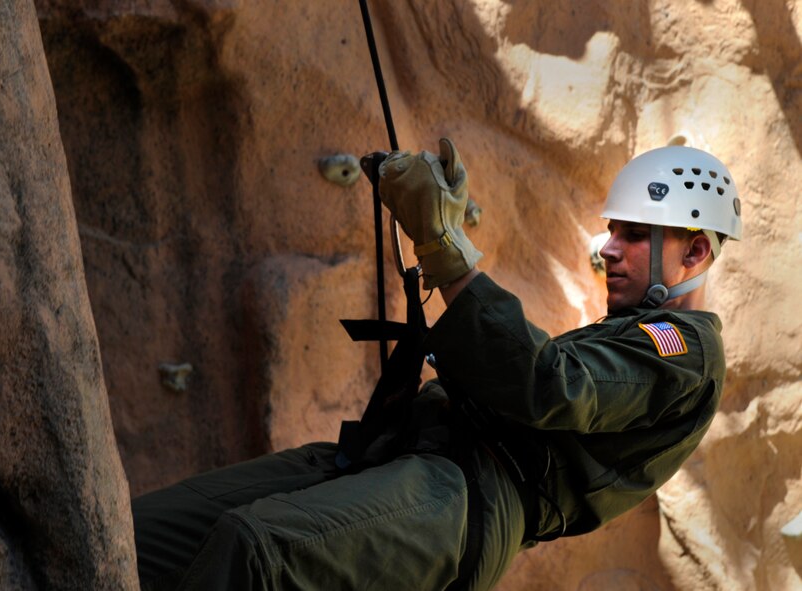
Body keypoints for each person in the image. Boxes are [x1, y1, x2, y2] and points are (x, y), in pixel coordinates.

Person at [132, 139, 742, 590]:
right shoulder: (634, 331)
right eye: (612, 230)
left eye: (633, 234)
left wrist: (447, 249)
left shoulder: (682, 350)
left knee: (255, 551)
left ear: (693, 251)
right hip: (411, 452)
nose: (607, 247)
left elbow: (550, 382)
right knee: (145, 535)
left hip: (468, 496)